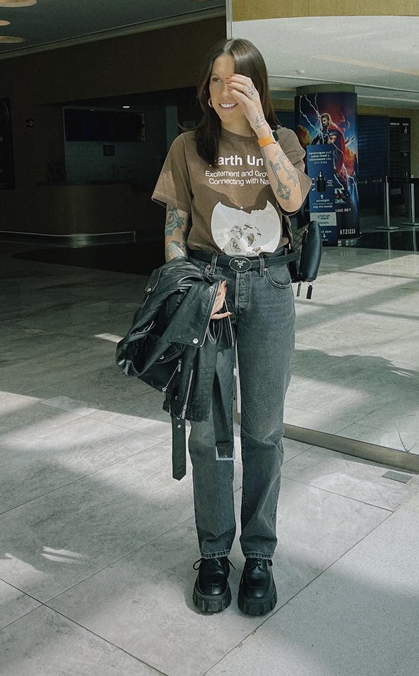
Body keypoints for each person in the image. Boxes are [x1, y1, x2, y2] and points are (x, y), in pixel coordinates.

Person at [152, 38, 311, 616]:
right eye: (216, 81)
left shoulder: (285, 141)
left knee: (264, 429)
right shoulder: (187, 146)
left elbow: (291, 202)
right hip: (209, 289)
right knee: (208, 433)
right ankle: (215, 552)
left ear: (257, 87)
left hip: (269, 289)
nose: (224, 92)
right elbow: (175, 229)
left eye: (236, 82)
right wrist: (192, 292)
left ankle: (260, 554)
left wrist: (260, 127)